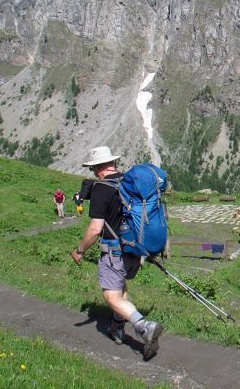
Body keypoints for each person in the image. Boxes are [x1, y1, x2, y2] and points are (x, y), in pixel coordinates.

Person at [69, 146, 162, 359]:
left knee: (111, 297)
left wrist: (79, 250)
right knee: (120, 288)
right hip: (134, 249)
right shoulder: (127, 183)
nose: (93, 173)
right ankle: (116, 327)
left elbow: (95, 229)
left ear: (98, 167)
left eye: (93, 169)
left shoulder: (102, 188)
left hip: (114, 250)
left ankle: (143, 326)